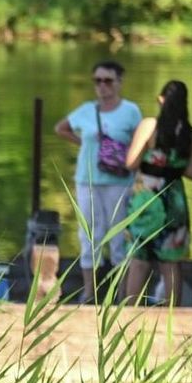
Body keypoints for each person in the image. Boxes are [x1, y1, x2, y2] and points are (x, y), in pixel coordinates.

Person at [55, 60, 142, 303]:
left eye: (108, 81)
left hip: (119, 182)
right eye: (98, 81)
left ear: (119, 82)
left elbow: (141, 141)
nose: (103, 86)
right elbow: (61, 128)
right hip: (88, 180)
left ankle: (122, 294)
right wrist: (84, 143)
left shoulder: (131, 111)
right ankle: (89, 293)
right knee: (89, 235)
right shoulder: (86, 110)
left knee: (118, 238)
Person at [123, 80, 192, 305]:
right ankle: (171, 317)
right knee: (170, 262)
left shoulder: (149, 126)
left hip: (146, 198)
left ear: (161, 100)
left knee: (139, 260)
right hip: (174, 199)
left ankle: (130, 313)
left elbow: (130, 162)